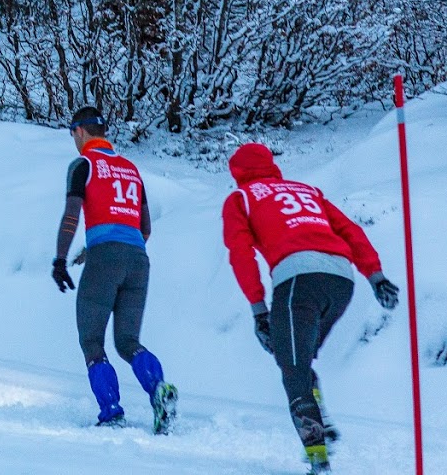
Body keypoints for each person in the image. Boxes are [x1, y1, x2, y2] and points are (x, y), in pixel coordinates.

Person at [221, 143, 399, 474]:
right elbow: (350, 231)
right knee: (298, 359)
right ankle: (322, 421)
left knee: (292, 367)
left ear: (237, 174)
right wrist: (376, 277)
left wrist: (259, 311)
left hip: (298, 279)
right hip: (341, 280)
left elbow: (240, 254)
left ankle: (318, 457)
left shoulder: (240, 199)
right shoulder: (307, 191)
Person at [51, 107, 177, 432]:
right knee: (128, 341)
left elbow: (71, 215)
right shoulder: (131, 169)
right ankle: (159, 389)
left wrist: (60, 259)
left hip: (105, 258)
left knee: (92, 340)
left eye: (72, 135)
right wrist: (118, 248)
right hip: (138, 258)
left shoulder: (83, 165)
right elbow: (144, 227)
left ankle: (112, 411)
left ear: (80, 131)